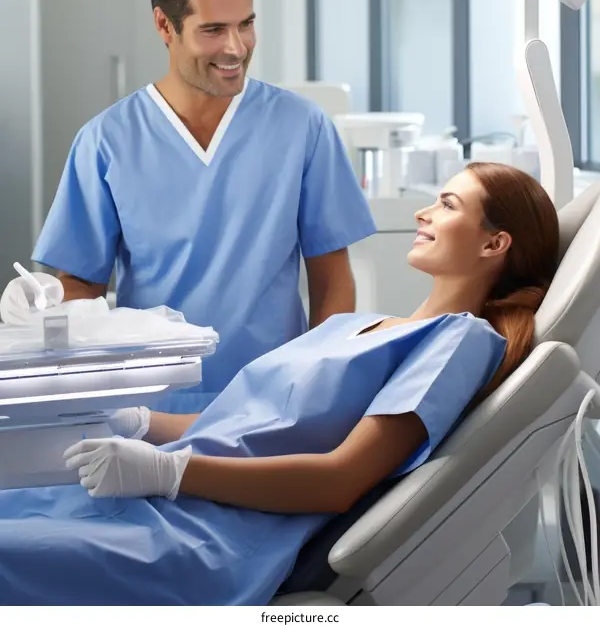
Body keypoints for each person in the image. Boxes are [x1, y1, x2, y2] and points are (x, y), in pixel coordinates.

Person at [0, 163, 559, 605]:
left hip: (207, 538)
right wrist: (137, 423)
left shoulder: (459, 341)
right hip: (156, 503)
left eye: (448, 204)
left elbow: (339, 480)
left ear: (494, 244)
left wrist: (170, 472)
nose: (423, 211)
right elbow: (239, 427)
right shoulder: (355, 327)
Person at [28, 0, 376, 412]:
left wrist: (317, 386)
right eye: (213, 30)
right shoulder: (106, 140)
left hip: (271, 404)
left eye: (246, 24)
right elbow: (80, 285)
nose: (236, 48)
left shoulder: (303, 127)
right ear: (164, 25)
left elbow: (332, 280)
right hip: (147, 408)